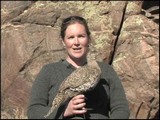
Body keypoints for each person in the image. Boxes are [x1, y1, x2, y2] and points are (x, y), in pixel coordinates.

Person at [27, 16, 130, 119]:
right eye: (71, 37)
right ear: (63, 41)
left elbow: (121, 108)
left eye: (81, 36)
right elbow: (33, 111)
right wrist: (64, 112)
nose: (76, 42)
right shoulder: (49, 71)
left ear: (88, 39)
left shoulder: (106, 70)